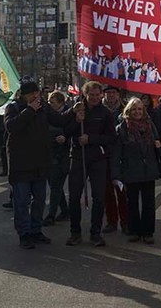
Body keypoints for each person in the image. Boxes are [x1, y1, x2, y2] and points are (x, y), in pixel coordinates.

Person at [5, 78, 71, 249]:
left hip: (40, 162)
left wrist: (74, 112)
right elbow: (12, 126)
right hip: (21, 165)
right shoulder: (13, 108)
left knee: (40, 200)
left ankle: (36, 230)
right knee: (22, 201)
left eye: (37, 93)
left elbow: (59, 120)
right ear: (23, 95)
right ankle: (24, 233)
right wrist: (29, 110)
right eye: (32, 94)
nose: (36, 97)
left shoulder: (44, 108)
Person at [65, 81, 117, 247]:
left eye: (97, 95)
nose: (94, 98)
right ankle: (75, 232)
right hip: (78, 158)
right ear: (85, 95)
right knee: (74, 197)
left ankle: (95, 233)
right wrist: (76, 120)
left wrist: (91, 139)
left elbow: (111, 138)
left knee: (99, 198)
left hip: (98, 159)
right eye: (91, 95)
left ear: (101, 95)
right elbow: (66, 131)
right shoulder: (77, 110)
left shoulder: (106, 113)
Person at [111, 97, 161, 243]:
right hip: (131, 170)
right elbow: (116, 153)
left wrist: (158, 146)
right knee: (131, 202)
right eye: (134, 109)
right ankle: (133, 231)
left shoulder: (150, 125)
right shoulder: (122, 128)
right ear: (129, 111)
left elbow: (157, 144)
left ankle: (147, 232)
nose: (137, 112)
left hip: (148, 169)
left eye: (139, 109)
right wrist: (116, 174)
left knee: (149, 203)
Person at [102, 85, 128, 234]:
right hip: (104, 154)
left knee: (123, 191)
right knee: (107, 192)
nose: (111, 95)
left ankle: (126, 222)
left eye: (113, 92)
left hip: (122, 156)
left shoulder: (125, 110)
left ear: (118, 94)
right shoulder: (99, 109)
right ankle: (112, 221)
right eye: (108, 93)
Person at [43, 91, 70, 226]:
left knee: (56, 186)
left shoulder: (69, 115)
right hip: (50, 154)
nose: (50, 105)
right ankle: (65, 210)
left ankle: (51, 215)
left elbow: (74, 131)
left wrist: (66, 139)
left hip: (63, 156)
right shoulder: (47, 115)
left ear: (60, 103)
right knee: (55, 185)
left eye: (52, 102)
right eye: (49, 102)